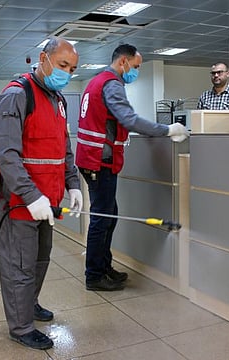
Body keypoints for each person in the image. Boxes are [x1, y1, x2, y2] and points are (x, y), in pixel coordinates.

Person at [0, 37, 83, 350]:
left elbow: (63, 148)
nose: (67, 73)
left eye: (72, 68)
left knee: (41, 257)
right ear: (42, 59)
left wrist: (73, 183)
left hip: (49, 200)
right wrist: (31, 196)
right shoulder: (17, 95)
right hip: (19, 201)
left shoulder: (58, 99)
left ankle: (28, 304)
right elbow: (8, 156)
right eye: (62, 65)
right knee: (20, 263)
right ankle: (20, 326)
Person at [75, 44, 188, 292]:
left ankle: (104, 267)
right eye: (136, 67)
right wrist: (166, 130)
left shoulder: (96, 81)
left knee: (109, 215)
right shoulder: (111, 84)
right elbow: (129, 119)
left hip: (92, 159)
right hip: (99, 162)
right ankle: (94, 275)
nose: (136, 71)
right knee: (102, 219)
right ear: (123, 62)